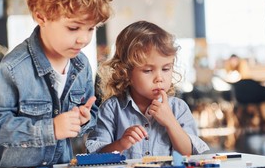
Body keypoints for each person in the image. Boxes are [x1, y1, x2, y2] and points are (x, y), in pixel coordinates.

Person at [0, 0, 113, 168]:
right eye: (73, 28)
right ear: (41, 17)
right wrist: (51, 129)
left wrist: (83, 120)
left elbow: (88, 114)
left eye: (91, 28)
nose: (83, 39)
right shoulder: (14, 69)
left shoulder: (81, 65)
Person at [86, 21, 209, 159]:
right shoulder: (111, 109)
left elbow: (189, 153)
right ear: (126, 72)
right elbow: (95, 157)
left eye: (166, 69)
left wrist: (170, 122)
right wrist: (121, 144)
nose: (159, 78)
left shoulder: (178, 108)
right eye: (148, 70)